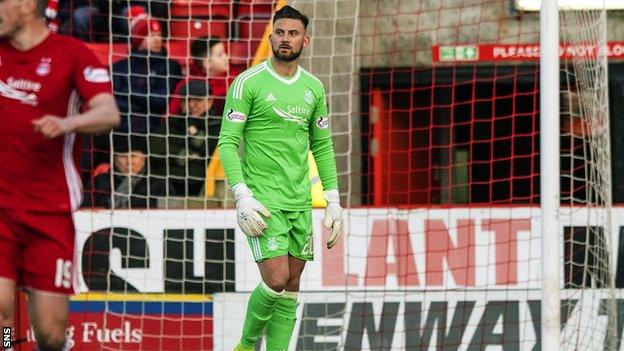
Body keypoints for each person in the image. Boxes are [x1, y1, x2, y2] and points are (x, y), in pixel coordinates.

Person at [217, 6, 343, 351]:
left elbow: (323, 145)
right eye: (280, 32)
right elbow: (227, 143)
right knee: (275, 280)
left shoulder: (313, 89)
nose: (285, 39)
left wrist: (333, 199)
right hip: (263, 201)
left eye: (292, 33)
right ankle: (244, 346)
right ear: (271, 36)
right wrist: (242, 195)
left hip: (299, 202)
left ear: (306, 39)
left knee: (292, 286)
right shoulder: (248, 83)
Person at [0, 0, 120, 350]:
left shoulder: (72, 53)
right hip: (1, 210)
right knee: (2, 317)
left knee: (51, 336)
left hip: (49, 212)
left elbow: (108, 112)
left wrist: (69, 123)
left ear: (24, 5)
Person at [112, 14, 182, 134]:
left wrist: (125, 92)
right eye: (151, 36)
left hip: (153, 129)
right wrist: (144, 103)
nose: (157, 40)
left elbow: (161, 101)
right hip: (120, 129)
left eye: (159, 35)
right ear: (138, 39)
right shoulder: (120, 67)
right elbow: (112, 101)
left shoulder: (170, 66)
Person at [151, 79, 220, 197]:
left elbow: (213, 152)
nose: (191, 105)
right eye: (186, 101)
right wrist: (183, 155)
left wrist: (194, 136)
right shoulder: (171, 124)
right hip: (169, 183)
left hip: (204, 185)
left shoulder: (219, 125)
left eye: (197, 100)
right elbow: (155, 147)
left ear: (210, 101)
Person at [83, 135, 169, 209]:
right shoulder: (100, 182)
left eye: (133, 156)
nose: (129, 162)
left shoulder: (159, 183)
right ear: (115, 160)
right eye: (123, 156)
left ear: (144, 159)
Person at [168, 36, 230, 117]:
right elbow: (171, 115)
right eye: (220, 55)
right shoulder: (186, 85)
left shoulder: (234, 81)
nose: (226, 57)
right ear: (207, 63)